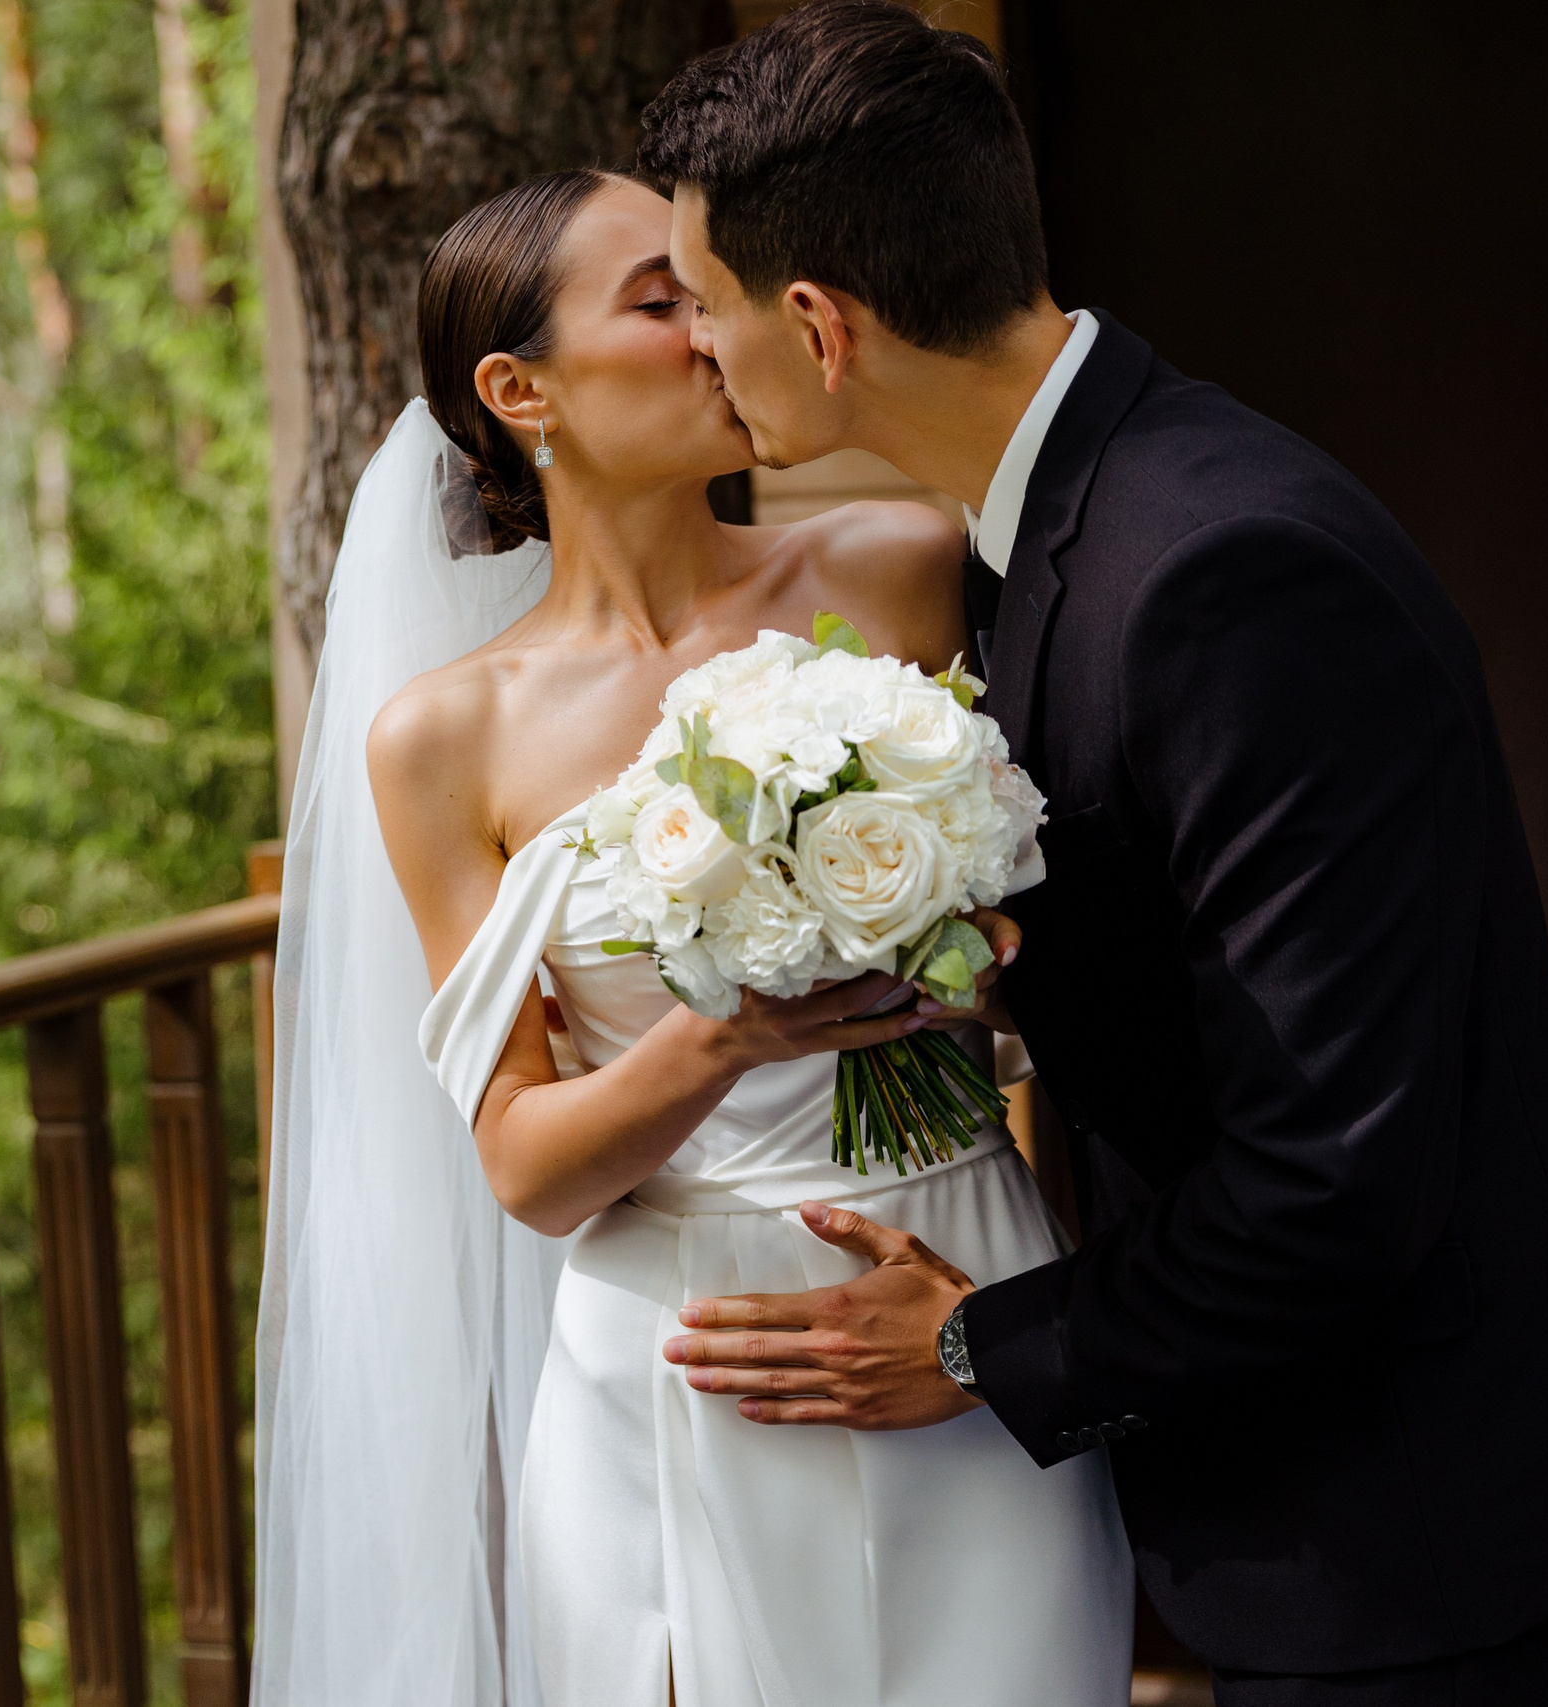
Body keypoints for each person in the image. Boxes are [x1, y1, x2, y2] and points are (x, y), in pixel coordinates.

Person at [639, 5, 1548, 1704]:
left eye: (701, 302)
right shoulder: (1056, 523)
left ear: (816, 323)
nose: (696, 351)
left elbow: (1336, 1173)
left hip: (1428, 1543)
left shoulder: (1220, 572)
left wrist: (981, 1346)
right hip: (1293, 1505)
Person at [252, 166, 1129, 1707]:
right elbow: (528, 1169)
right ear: (520, 390)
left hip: (952, 1271)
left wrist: (973, 970)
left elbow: (1047, 924)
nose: (718, 330)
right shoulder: (444, 739)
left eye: (711, 292)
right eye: (661, 301)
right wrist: (725, 1035)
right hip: (674, 1356)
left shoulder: (901, 561)